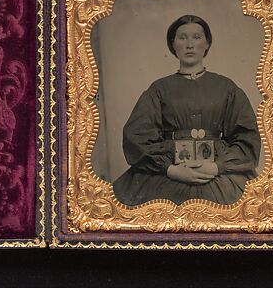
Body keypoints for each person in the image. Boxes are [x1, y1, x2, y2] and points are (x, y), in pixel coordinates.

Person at [112, 15, 261, 206]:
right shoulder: (159, 89)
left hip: (217, 174)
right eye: (182, 37)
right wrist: (170, 170)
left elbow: (247, 138)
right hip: (169, 172)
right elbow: (137, 136)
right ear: (173, 45)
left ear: (207, 43)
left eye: (196, 37)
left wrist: (216, 167)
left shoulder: (227, 88)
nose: (190, 44)